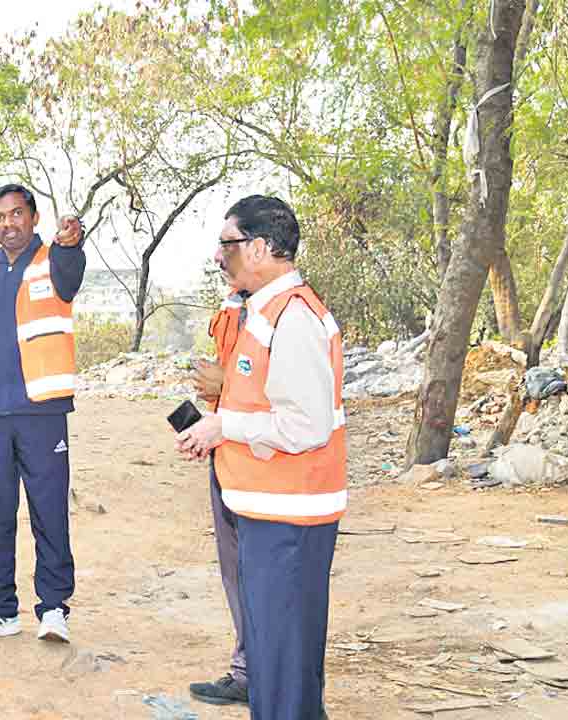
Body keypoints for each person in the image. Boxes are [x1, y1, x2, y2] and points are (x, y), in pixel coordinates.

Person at [176, 196, 345, 720]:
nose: (219, 256)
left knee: (286, 665)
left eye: (227, 244)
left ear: (260, 247)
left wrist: (223, 426)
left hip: (290, 518)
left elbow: (306, 425)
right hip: (267, 511)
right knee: (273, 660)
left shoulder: (294, 317)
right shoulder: (262, 310)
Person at [0, 184, 85, 643]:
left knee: (49, 510)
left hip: (41, 411)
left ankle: (53, 608)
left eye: (16, 214)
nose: (7, 224)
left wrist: (73, 241)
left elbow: (70, 272)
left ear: (33, 216)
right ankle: (0, 610)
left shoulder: (57, 259)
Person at [186, 289, 252, 708]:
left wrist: (227, 382)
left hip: (265, 468)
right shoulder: (236, 306)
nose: (219, 256)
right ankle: (247, 671)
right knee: (236, 573)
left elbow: (292, 394)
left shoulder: (287, 311)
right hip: (229, 451)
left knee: (266, 579)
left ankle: (291, 690)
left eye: (229, 245)